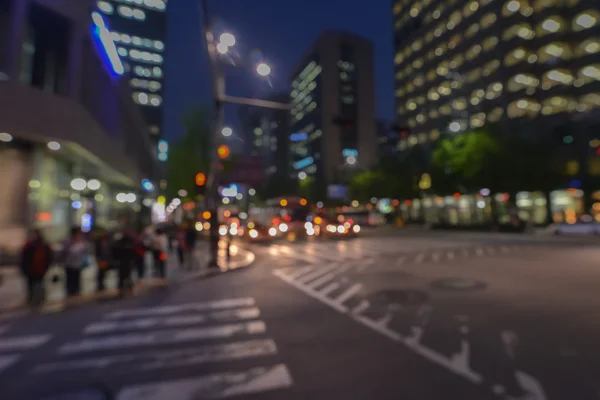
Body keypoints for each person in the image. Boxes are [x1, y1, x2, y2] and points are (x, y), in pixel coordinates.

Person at [19, 229, 53, 305]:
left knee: (38, 284)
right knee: (31, 285)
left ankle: (39, 298)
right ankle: (32, 299)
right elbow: (24, 259)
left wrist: (47, 266)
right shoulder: (29, 246)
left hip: (40, 269)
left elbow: (49, 257)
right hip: (31, 270)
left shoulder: (43, 246)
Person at [63, 227, 89, 297]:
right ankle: (70, 293)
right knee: (70, 279)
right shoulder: (68, 241)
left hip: (78, 264)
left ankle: (76, 292)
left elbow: (85, 251)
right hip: (69, 264)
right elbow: (65, 252)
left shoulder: (82, 241)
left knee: (77, 279)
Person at [114, 230, 136, 296]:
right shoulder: (121, 242)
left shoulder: (130, 241)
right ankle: (123, 291)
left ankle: (129, 290)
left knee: (127, 277)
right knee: (123, 277)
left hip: (127, 262)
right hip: (123, 262)